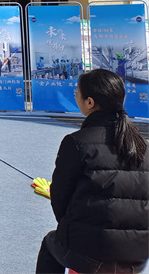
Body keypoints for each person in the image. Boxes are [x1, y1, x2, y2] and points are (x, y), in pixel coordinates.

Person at [36, 68, 148, 274]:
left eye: (77, 91)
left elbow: (60, 199)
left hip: (92, 253)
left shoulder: (77, 142)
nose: (75, 95)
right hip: (138, 255)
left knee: (51, 244)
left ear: (89, 102)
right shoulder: (143, 145)